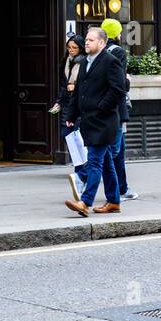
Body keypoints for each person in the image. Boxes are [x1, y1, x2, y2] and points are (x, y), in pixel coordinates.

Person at [64, 26, 127, 217]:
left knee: (94, 162)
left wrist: (101, 108)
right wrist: (71, 115)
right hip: (89, 120)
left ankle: (85, 201)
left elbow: (118, 90)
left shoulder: (111, 62)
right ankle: (114, 201)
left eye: (91, 40)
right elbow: (78, 92)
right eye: (87, 40)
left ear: (102, 43)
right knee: (106, 162)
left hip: (104, 121)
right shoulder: (84, 63)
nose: (87, 43)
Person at [100, 18, 139, 201]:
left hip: (102, 106)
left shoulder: (96, 52)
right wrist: (128, 80)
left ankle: (122, 189)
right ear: (116, 33)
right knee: (113, 152)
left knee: (118, 150)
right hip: (115, 108)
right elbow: (120, 83)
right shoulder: (118, 52)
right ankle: (84, 180)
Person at [52, 35, 86, 200]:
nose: (71, 50)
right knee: (69, 135)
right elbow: (62, 85)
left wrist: (75, 87)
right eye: (69, 47)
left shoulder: (84, 62)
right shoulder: (65, 62)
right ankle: (82, 168)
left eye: (74, 48)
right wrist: (58, 101)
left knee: (74, 135)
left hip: (78, 105)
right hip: (66, 104)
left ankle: (82, 170)